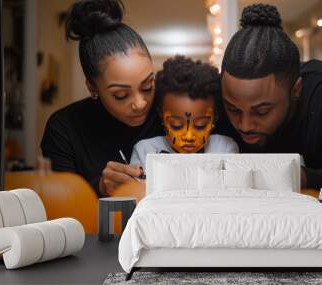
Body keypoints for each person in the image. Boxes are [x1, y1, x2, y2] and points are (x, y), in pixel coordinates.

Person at [215, 4, 322, 191]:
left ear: (296, 89)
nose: (245, 125)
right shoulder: (210, 99)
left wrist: (302, 178)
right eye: (232, 109)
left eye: (262, 111)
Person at [40, 0, 163, 197]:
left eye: (148, 86)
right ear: (92, 88)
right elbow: (60, 209)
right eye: (120, 95)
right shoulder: (63, 129)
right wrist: (100, 188)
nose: (140, 103)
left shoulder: (170, 111)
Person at [130, 56, 238, 169]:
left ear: (215, 118)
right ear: (161, 116)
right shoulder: (145, 151)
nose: (188, 136)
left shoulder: (224, 148)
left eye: (200, 125)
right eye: (176, 125)